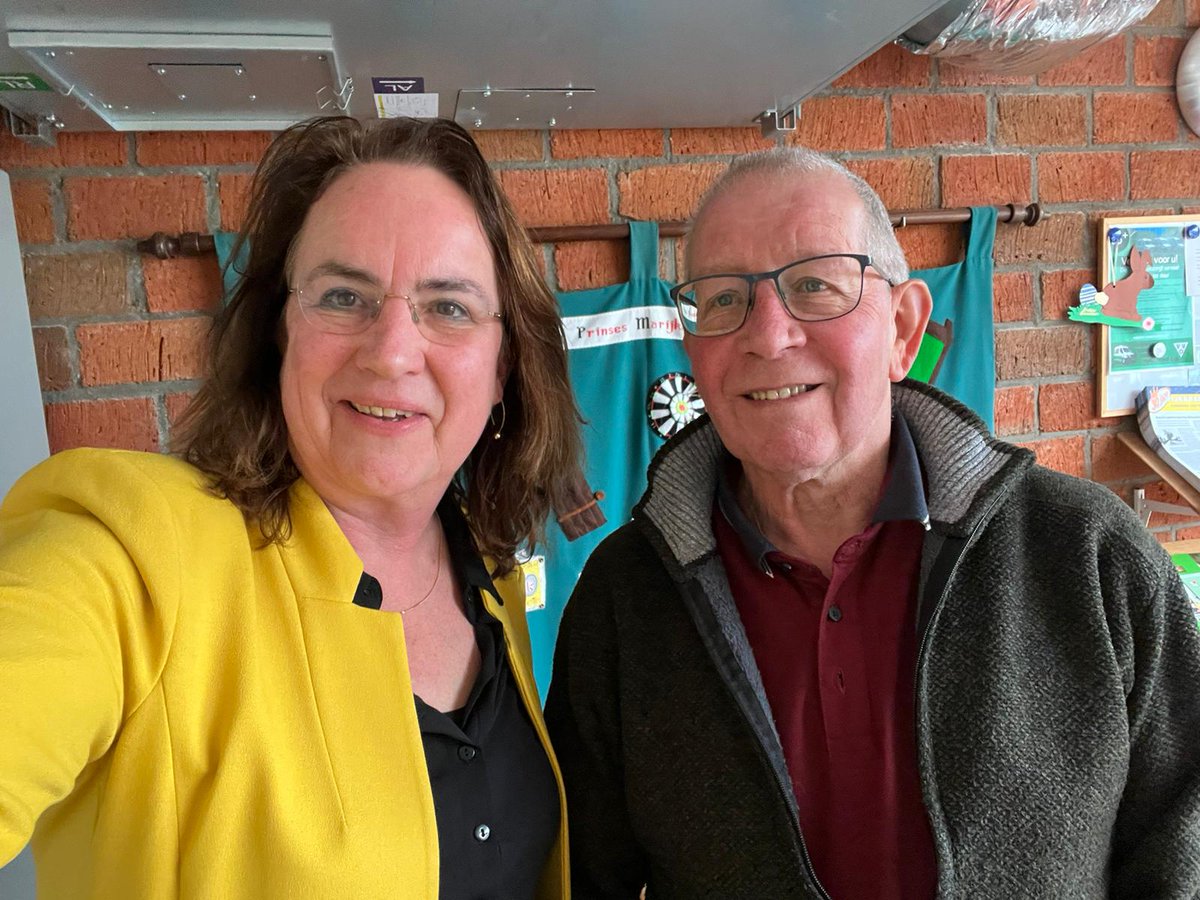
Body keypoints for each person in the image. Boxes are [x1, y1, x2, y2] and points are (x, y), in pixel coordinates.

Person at [544, 146, 1200, 898]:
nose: (766, 333)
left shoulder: (1089, 556)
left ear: (903, 330)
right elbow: (584, 877)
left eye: (815, 286)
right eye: (723, 299)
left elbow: (1184, 846)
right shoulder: (624, 600)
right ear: (693, 350)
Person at [0, 115, 581, 899]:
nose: (392, 351)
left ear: (505, 365)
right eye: (344, 295)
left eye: (448, 307)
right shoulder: (134, 557)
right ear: (279, 331)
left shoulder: (486, 571)